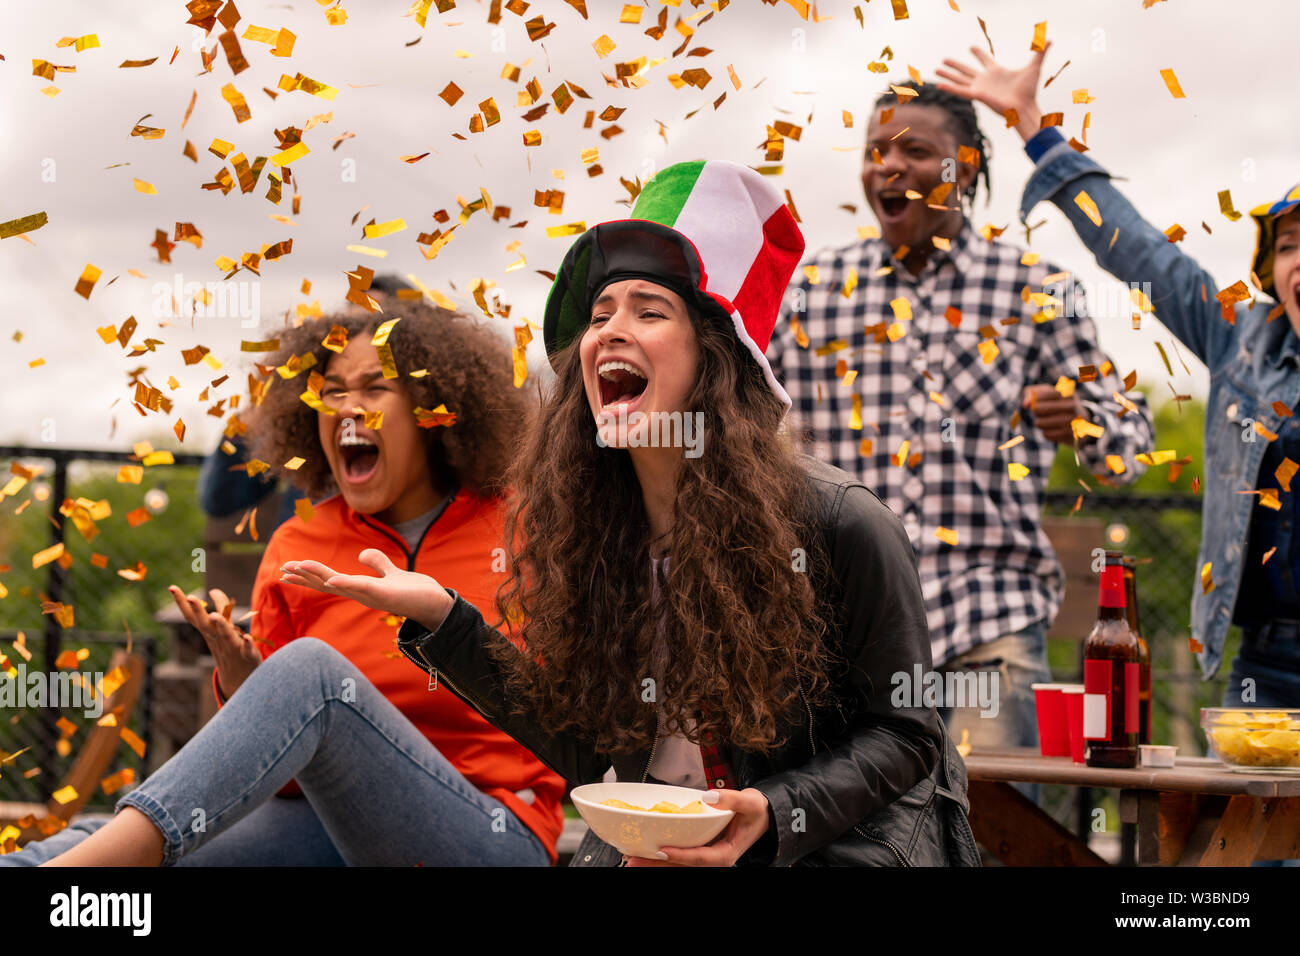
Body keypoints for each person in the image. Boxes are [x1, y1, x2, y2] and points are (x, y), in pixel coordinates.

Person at [284, 160, 981, 866]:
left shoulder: (843, 521)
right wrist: (444, 618)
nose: (610, 331)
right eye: (599, 314)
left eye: (649, 311)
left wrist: (769, 815)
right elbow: (590, 756)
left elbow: (906, 734)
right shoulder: (591, 535)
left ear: (714, 357)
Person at [18, 296, 565, 866]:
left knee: (312, 671)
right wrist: (245, 686)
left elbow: (561, 710)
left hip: (491, 831)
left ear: (432, 412)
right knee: (102, 839)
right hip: (334, 829)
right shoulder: (298, 544)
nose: (349, 407)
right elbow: (284, 782)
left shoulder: (526, 529)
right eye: (331, 391)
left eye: (376, 388)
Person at [765, 79, 1156, 761]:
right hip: (846, 625)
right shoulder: (817, 292)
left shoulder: (1035, 289)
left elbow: (1128, 450)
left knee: (996, 834)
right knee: (853, 841)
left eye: (913, 151)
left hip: (988, 623)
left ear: (963, 167)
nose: (886, 167)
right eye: (874, 152)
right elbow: (756, 425)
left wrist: (1086, 420)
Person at [935, 44, 1300, 711]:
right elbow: (1142, 252)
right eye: (1287, 245)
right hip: (1267, 660)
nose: (1297, 260)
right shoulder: (1239, 341)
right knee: (1240, 817)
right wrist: (1034, 128)